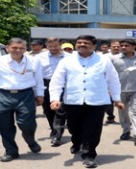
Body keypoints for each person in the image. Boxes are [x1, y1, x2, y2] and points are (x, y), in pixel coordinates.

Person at [49, 35, 124, 168]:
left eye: (86, 43)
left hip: (97, 101)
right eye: (79, 42)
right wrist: (55, 98)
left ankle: (89, 155)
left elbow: (113, 80)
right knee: (73, 126)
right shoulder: (67, 61)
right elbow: (57, 80)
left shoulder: (104, 60)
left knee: (92, 128)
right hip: (73, 100)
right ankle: (77, 141)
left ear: (94, 46)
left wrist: (117, 99)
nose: (82, 45)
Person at [0, 37, 44, 162]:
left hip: (26, 95)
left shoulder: (33, 61)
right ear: (7, 48)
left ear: (25, 49)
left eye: (21, 48)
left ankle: (30, 140)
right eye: (14, 48)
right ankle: (11, 151)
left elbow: (38, 79)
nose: (18, 50)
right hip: (4, 95)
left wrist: (40, 95)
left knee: (26, 124)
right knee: (4, 125)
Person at [110, 39, 136, 147]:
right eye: (121, 45)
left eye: (126, 45)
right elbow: (109, 75)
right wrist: (109, 90)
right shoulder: (114, 59)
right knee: (122, 112)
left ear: (133, 47)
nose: (123, 47)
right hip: (119, 90)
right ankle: (126, 130)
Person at [36, 37, 70, 146]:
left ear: (60, 45)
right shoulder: (39, 58)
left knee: (60, 110)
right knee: (48, 110)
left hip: (64, 85)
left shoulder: (70, 57)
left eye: (55, 46)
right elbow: (35, 74)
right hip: (46, 84)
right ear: (46, 46)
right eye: (50, 46)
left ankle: (57, 135)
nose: (53, 48)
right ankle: (54, 128)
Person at [102, 40, 121, 124]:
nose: (116, 48)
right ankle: (110, 116)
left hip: (122, 81)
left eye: (118, 46)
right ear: (110, 47)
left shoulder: (124, 56)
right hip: (108, 81)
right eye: (114, 46)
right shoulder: (105, 57)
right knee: (109, 101)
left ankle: (126, 118)